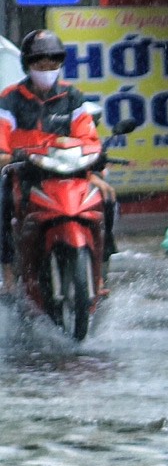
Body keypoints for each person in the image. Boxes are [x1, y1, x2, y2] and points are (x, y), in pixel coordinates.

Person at [0, 29, 109, 292]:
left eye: (53, 62)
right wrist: (11, 154)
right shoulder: (10, 98)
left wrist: (95, 164)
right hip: (25, 172)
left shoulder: (73, 96)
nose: (47, 68)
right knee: (3, 203)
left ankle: (102, 268)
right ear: (28, 65)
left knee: (108, 199)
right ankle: (9, 273)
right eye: (40, 63)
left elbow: (87, 137)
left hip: (70, 173)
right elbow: (2, 139)